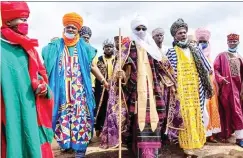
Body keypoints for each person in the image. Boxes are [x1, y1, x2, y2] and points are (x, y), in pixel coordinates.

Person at [100, 15, 183, 157]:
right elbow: (119, 73)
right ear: (133, 30)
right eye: (138, 28)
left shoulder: (153, 48)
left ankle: (152, 154)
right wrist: (121, 74)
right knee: (136, 122)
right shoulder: (126, 48)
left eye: (144, 28)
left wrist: (172, 83)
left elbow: (165, 68)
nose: (141, 31)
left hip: (153, 91)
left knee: (155, 120)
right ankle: (139, 153)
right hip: (135, 93)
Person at [41, 12, 108, 157]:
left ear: (78, 30)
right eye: (68, 27)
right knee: (61, 119)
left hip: (80, 94)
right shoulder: (55, 46)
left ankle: (80, 152)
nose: (71, 30)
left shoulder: (84, 47)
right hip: (61, 94)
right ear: (64, 28)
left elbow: (92, 66)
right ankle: (66, 146)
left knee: (82, 121)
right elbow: (45, 64)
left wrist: (103, 80)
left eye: (74, 28)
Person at [1, 1, 54, 158]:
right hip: (7, 110)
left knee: (33, 145)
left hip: (31, 107)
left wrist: (43, 87)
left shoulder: (28, 46)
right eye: (22, 19)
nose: (26, 23)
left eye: (26, 20)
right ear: (9, 21)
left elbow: (41, 74)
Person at [166, 18, 213, 157]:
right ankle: (185, 146)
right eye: (180, 33)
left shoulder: (196, 49)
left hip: (196, 89)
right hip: (181, 90)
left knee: (199, 113)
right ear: (174, 36)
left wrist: (207, 80)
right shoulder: (171, 52)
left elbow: (207, 68)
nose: (183, 35)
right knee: (183, 116)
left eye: (184, 32)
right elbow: (169, 72)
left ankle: (197, 141)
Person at [214, 33, 243, 147]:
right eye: (230, 41)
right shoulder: (221, 56)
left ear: (238, 42)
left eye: (234, 41)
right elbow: (215, 70)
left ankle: (240, 138)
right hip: (225, 90)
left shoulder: (240, 58)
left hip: (237, 90)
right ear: (227, 42)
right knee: (226, 112)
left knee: (237, 112)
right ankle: (225, 135)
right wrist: (221, 79)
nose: (232, 43)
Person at [195, 28, 221, 143]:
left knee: (211, 108)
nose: (202, 44)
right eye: (200, 42)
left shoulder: (211, 56)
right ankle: (202, 134)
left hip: (211, 87)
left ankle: (210, 135)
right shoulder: (195, 54)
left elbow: (213, 72)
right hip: (199, 87)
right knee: (202, 110)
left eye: (204, 42)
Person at [94, 39, 116, 137]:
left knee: (112, 107)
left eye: (111, 47)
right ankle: (99, 128)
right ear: (103, 48)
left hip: (113, 87)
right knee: (101, 106)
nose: (108, 48)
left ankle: (111, 130)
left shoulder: (116, 60)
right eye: (107, 47)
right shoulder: (98, 59)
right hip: (101, 87)